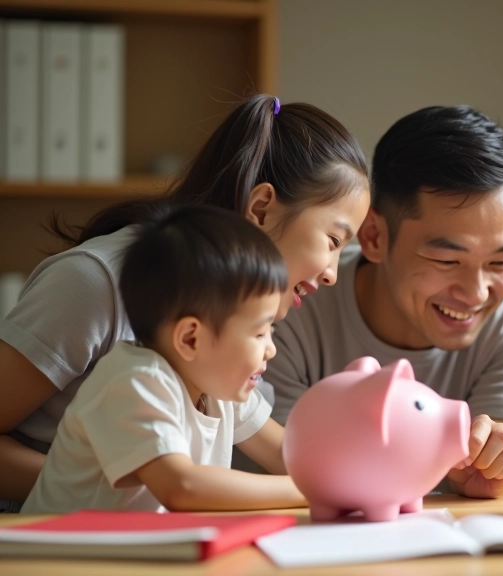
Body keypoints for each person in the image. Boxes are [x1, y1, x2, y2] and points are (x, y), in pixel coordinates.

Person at [0, 95, 371, 510]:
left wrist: (386, 478)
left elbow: (291, 457)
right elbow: (183, 487)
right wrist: (82, 485)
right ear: (262, 208)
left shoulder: (221, 336)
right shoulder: (93, 284)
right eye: (334, 241)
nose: (332, 273)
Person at [266, 106, 503, 499]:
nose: (477, 292)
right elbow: (294, 467)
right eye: (447, 260)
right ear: (375, 236)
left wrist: (488, 466)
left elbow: (486, 464)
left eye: (500, 261)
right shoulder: (294, 299)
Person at [23, 206, 306, 513]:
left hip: (127, 555)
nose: (271, 349)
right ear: (190, 339)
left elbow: (288, 454)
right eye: (260, 332)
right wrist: (308, 490)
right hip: (61, 556)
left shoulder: (215, 380)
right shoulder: (134, 381)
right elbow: (181, 486)